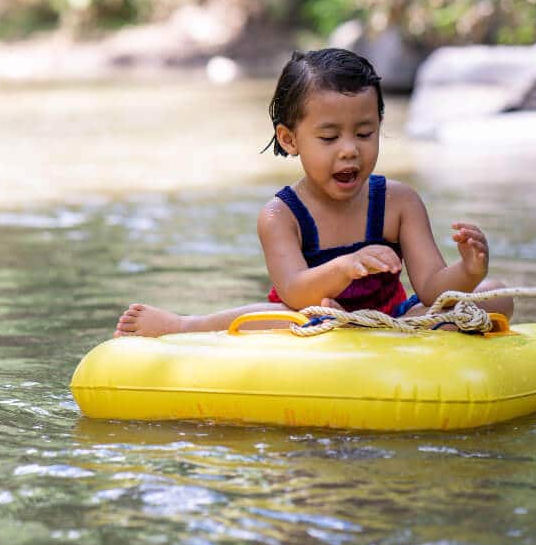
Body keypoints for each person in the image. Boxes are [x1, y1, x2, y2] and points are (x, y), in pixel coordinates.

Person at [115, 48, 514, 337]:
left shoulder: (399, 202)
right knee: (271, 315)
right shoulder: (280, 215)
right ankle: (185, 326)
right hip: (310, 315)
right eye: (328, 136)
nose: (349, 150)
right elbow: (294, 289)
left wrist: (468, 271)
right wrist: (345, 267)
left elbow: (430, 287)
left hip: (392, 317)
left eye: (364, 133)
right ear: (290, 139)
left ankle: (395, 332)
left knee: (495, 295)